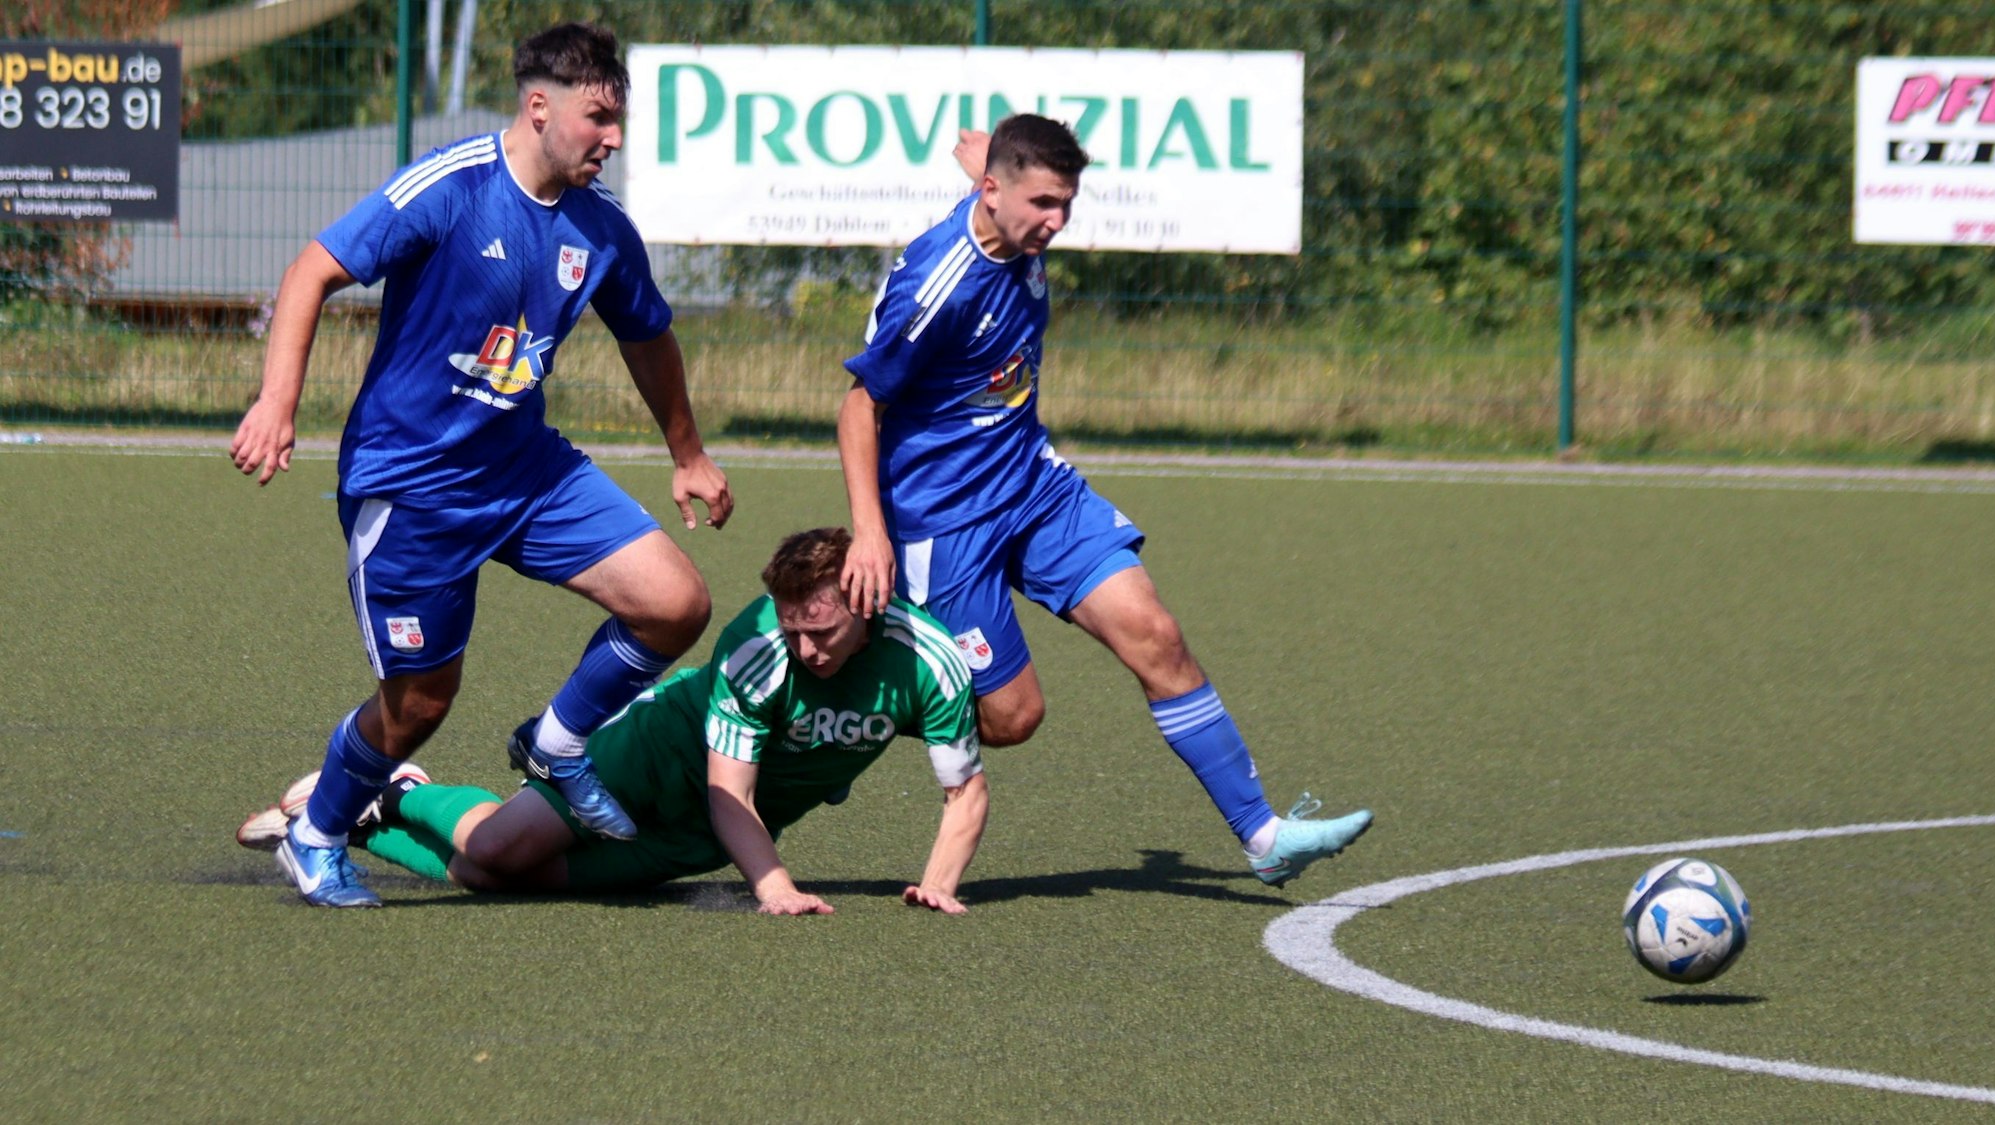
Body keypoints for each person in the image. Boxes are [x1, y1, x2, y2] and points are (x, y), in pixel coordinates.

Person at [228, 22, 732, 908]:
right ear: (539, 107)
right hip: (411, 485)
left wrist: (687, 453)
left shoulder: (602, 227)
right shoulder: (450, 186)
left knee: (676, 601)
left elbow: (648, 336)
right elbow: (312, 270)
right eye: (598, 117)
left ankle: (559, 742)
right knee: (420, 704)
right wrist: (277, 402)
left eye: (618, 120)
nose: (613, 138)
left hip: (525, 468)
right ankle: (318, 832)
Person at [836, 115, 1371, 888]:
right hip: (942, 520)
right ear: (992, 193)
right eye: (1044, 204)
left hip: (1032, 484)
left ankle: (1263, 834)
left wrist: (979, 153)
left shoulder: (1009, 214)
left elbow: (994, 160)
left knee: (1156, 631)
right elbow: (859, 408)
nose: (1057, 223)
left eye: (1067, 204)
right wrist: (869, 534)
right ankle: (854, 720)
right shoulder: (936, 283)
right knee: (1014, 719)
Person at [236, 528, 989, 914]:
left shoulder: (931, 662)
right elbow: (731, 787)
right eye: (794, 628)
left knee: (498, 881)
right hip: (656, 755)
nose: (805, 648)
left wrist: (937, 884)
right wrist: (774, 887)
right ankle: (398, 791)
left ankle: (366, 822)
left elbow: (964, 791)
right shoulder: (760, 647)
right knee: (501, 845)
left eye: (821, 632)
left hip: (704, 832)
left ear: (866, 604)